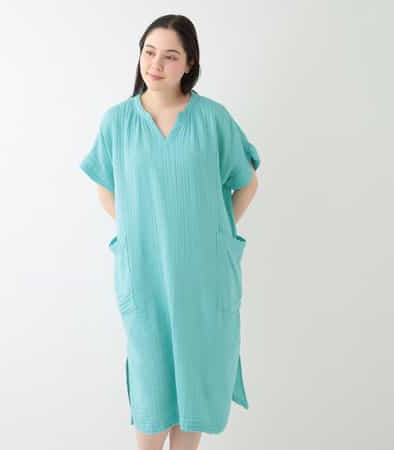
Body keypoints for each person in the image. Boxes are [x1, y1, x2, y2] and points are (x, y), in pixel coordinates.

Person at [80, 14, 261, 450]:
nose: (156, 64)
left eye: (170, 56)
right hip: (144, 276)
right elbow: (105, 188)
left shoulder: (213, 119)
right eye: (149, 52)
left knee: (195, 388)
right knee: (152, 393)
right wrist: (139, 231)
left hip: (204, 279)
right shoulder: (117, 122)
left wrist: (215, 236)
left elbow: (247, 183)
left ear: (189, 63)